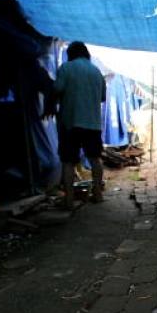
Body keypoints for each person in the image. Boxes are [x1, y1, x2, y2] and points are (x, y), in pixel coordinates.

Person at [47, 41, 106, 209]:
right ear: (86, 54)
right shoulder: (96, 72)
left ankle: (69, 200)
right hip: (93, 123)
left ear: (71, 54)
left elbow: (57, 89)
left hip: (70, 122)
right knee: (95, 159)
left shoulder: (66, 68)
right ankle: (98, 194)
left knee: (68, 161)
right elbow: (102, 97)